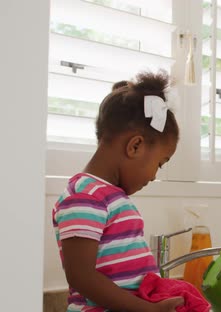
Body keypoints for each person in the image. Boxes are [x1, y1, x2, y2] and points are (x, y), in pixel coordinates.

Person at [52, 71, 184, 312]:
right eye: (160, 164)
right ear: (135, 146)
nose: (155, 176)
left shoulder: (110, 197)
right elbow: (81, 276)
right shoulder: (85, 196)